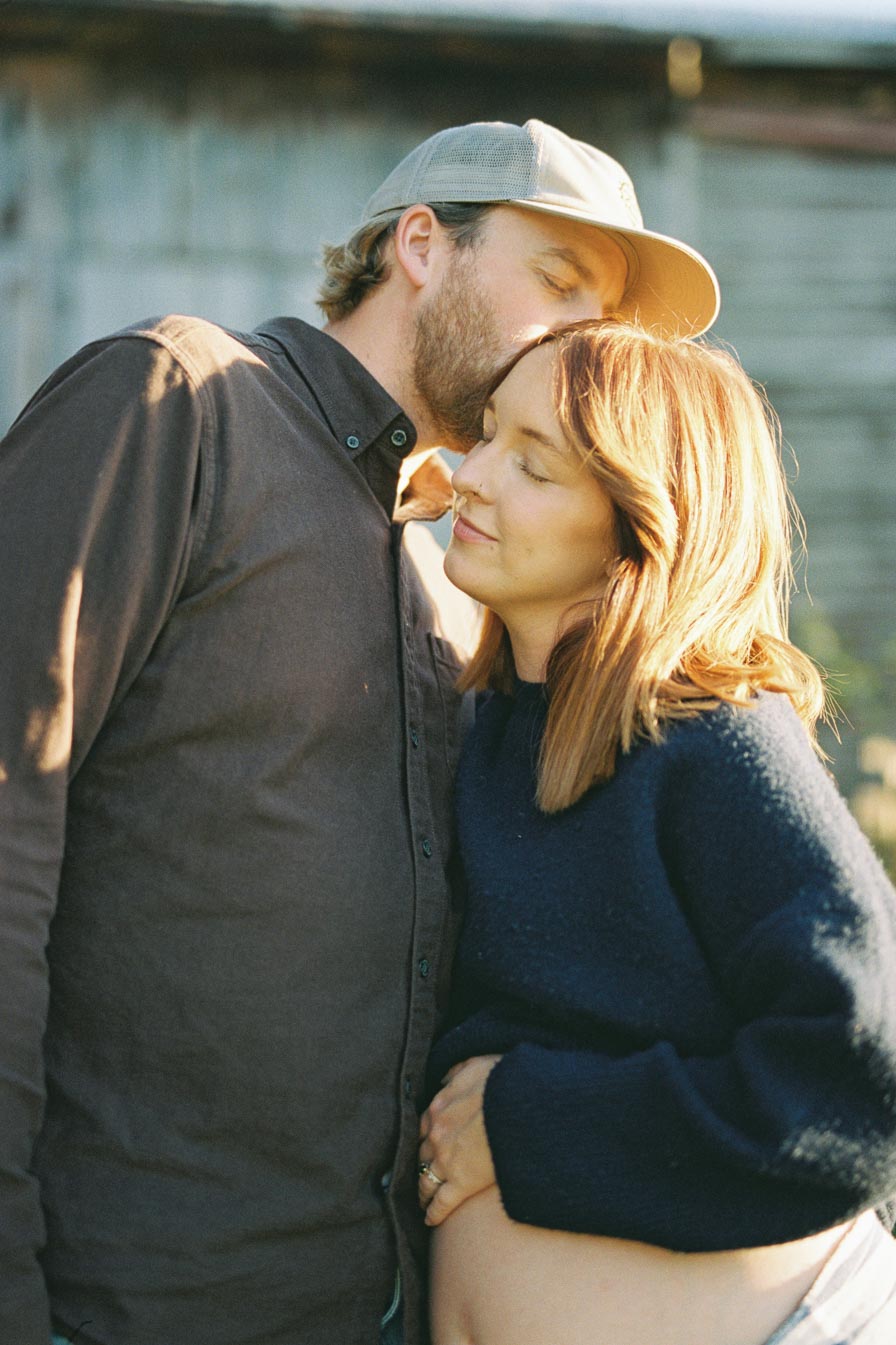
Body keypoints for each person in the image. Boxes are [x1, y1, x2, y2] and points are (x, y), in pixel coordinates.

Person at [0, 121, 719, 1345]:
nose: (572, 340)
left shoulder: (455, 578)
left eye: (597, 320)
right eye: (553, 281)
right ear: (423, 246)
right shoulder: (179, 404)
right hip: (113, 1305)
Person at [417, 320, 896, 1345]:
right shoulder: (503, 727)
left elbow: (863, 1074)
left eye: (532, 464)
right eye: (488, 434)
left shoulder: (711, 741)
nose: (474, 475)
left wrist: (530, 1124)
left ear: (640, 526)